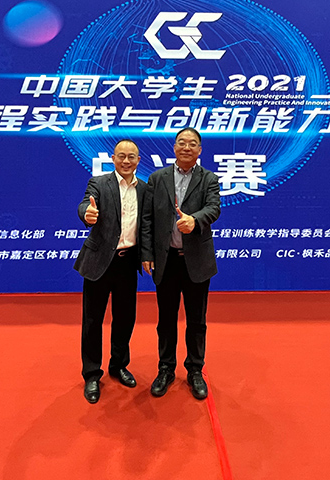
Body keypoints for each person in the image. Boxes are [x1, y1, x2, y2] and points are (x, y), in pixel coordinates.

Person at [141, 127, 221, 400]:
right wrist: (147, 253)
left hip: (196, 260)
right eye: (182, 143)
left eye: (192, 144)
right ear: (174, 147)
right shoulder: (158, 178)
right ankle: (165, 368)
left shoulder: (209, 178)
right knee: (166, 319)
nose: (187, 147)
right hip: (166, 261)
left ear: (200, 150)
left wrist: (194, 220)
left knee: (197, 320)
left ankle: (195, 370)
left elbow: (214, 208)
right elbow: (148, 218)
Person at [74, 139, 147, 404]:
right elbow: (85, 205)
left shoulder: (145, 189)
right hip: (100, 261)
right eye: (121, 156)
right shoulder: (99, 183)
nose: (126, 161)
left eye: (131, 156)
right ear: (113, 158)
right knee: (93, 320)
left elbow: (147, 225)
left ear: (138, 160)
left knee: (125, 318)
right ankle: (92, 374)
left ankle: (118, 365)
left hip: (128, 262)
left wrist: (148, 256)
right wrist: (87, 214)